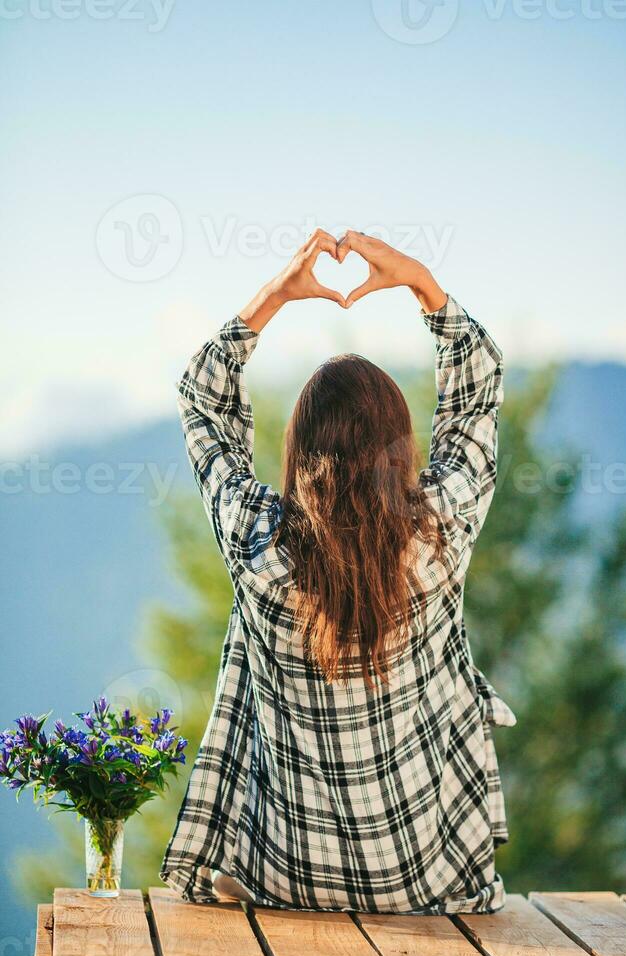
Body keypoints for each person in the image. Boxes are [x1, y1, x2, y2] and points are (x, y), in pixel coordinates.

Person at [160, 230, 516, 914]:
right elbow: (476, 401)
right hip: (424, 883)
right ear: (398, 445)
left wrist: (273, 297)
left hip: (285, 881)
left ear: (299, 450)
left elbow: (201, 403)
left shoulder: (259, 547)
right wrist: (422, 283)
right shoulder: (437, 536)